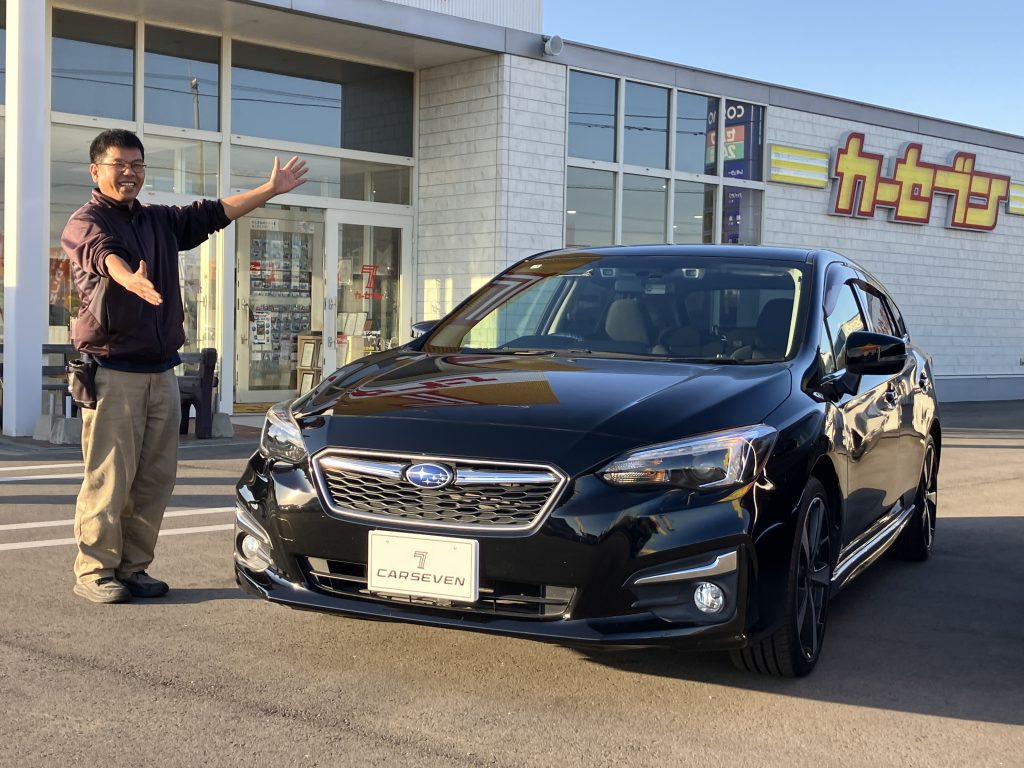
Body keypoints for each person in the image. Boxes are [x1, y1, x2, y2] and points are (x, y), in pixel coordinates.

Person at [63, 128, 307, 603]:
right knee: (109, 478)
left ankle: (133, 567)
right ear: (96, 170)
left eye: (137, 164)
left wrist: (269, 190)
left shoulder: (159, 221)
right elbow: (101, 255)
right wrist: (127, 278)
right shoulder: (85, 221)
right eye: (119, 165)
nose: (130, 173)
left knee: (156, 478)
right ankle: (94, 571)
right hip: (112, 371)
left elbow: (212, 214)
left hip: (161, 371)